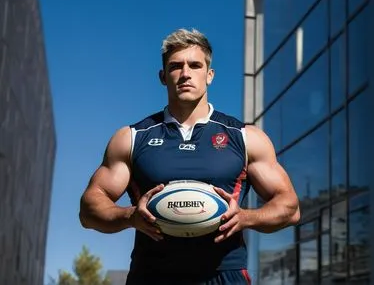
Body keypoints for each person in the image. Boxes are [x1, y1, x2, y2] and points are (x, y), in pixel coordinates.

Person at [79, 29, 300, 284]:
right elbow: (89, 208)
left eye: (195, 65)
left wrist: (246, 217)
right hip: (151, 275)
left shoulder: (245, 137)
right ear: (163, 76)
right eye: (176, 66)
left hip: (223, 275)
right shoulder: (131, 138)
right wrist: (130, 216)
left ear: (209, 75)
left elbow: (290, 206)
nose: (185, 74)